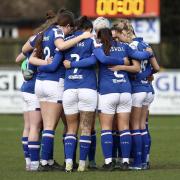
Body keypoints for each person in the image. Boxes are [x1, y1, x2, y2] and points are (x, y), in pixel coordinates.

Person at [29, 9, 92, 171]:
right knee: (51, 126)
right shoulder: (58, 31)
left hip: (40, 83)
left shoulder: (44, 33)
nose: (70, 32)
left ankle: (47, 161)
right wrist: (82, 36)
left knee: (48, 125)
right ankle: (45, 163)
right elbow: (62, 46)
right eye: (71, 29)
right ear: (68, 25)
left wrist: (44, 64)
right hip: (54, 82)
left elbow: (30, 57)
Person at [110, 19, 160, 170]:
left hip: (137, 90)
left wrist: (122, 67)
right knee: (143, 126)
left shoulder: (130, 46)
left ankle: (137, 163)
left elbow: (136, 68)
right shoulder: (145, 45)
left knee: (135, 127)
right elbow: (156, 67)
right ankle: (144, 161)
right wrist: (147, 75)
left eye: (117, 37)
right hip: (148, 90)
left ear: (124, 33)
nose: (116, 41)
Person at [16, 35, 43, 171]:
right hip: (33, 91)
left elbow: (18, 60)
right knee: (35, 128)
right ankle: (34, 164)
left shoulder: (27, 52)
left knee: (27, 127)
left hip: (25, 89)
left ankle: (28, 161)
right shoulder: (39, 53)